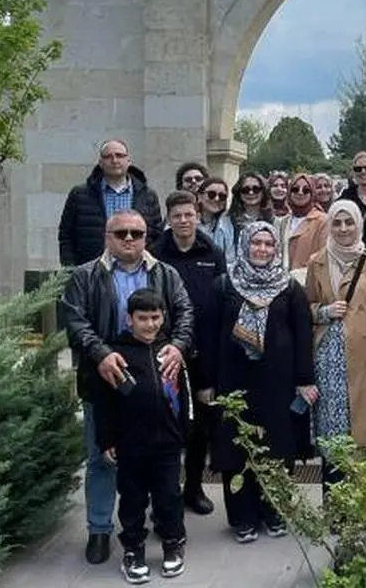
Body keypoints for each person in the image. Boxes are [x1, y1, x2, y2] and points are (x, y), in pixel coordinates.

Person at [61, 209, 193, 566]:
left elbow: (185, 313)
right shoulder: (86, 276)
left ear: (146, 236)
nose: (130, 239)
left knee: (157, 460)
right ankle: (100, 529)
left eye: (137, 233)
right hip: (104, 380)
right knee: (103, 455)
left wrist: (178, 346)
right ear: (108, 237)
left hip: (153, 380)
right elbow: (75, 320)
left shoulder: (165, 273)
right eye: (121, 233)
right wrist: (101, 354)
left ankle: (157, 526)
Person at [204, 223, 316, 543]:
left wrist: (304, 380)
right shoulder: (224, 285)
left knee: (277, 447)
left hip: (277, 384)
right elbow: (208, 337)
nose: (263, 249)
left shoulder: (289, 288)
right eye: (256, 243)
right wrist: (206, 382)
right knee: (237, 448)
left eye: (269, 244)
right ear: (244, 245)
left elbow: (303, 335)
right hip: (233, 382)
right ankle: (243, 517)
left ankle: (274, 512)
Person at [91, 289, 191, 584]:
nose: (150, 324)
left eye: (155, 317)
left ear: (163, 317)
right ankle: (133, 549)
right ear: (129, 319)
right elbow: (103, 404)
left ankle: (172, 544)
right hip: (131, 443)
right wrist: (107, 440)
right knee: (132, 498)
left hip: (167, 442)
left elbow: (184, 395)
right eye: (142, 318)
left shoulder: (171, 352)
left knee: (169, 495)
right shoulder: (116, 354)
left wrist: (184, 432)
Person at [303, 200, 366, 488]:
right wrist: (324, 311)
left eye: (349, 222)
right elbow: (306, 307)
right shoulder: (317, 261)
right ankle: (335, 503)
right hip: (329, 359)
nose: (343, 228)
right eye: (337, 222)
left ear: (358, 224)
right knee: (333, 434)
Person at [149, 191, 228, 516]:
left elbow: (221, 304)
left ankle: (193, 488)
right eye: (177, 216)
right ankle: (164, 496)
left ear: (197, 215)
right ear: (169, 219)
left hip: (203, 352)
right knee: (165, 425)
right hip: (165, 353)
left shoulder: (212, 252)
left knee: (200, 428)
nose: (183, 221)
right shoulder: (155, 253)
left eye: (188, 215)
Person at [59, 139, 164, 268]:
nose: (114, 160)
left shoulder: (148, 195)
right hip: (91, 271)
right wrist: (70, 270)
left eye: (119, 155)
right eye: (108, 156)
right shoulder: (80, 195)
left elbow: (156, 235)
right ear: (100, 163)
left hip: (136, 269)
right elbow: (66, 235)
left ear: (128, 161)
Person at [277, 173, 327, 272]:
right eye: (295, 189)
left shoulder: (322, 221)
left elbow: (323, 258)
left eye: (306, 190)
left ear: (312, 193)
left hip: (309, 279)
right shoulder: (284, 222)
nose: (300, 193)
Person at [195, 177, 237, 256]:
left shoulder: (228, 223)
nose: (217, 199)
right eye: (211, 194)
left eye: (222, 196)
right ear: (199, 196)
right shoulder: (187, 220)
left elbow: (230, 256)